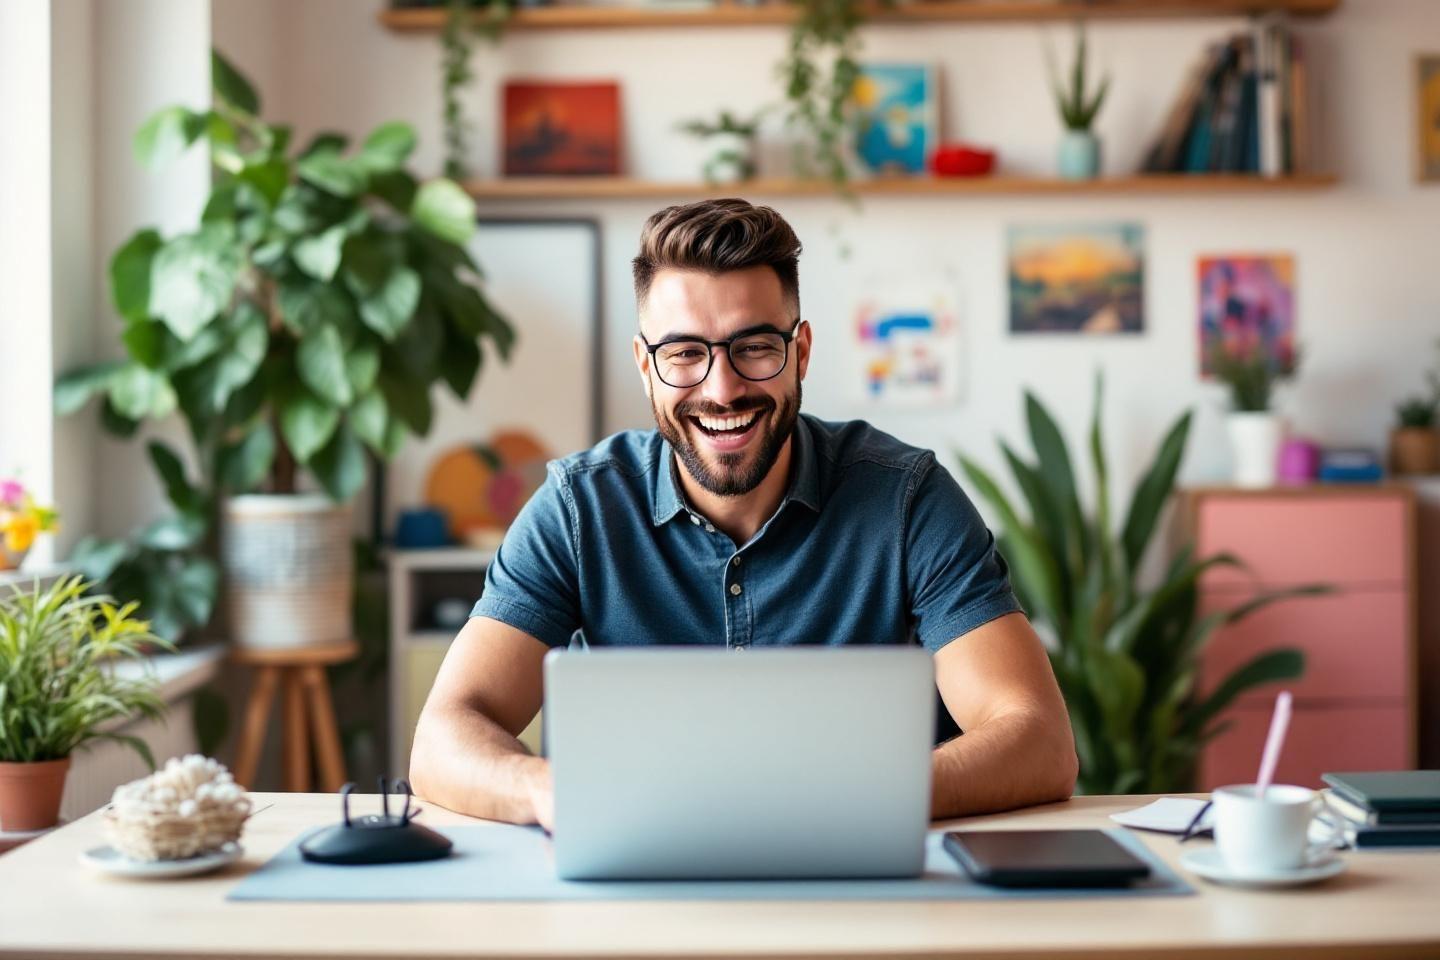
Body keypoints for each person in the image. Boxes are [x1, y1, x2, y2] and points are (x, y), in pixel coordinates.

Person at [410, 199, 1077, 831]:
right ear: (645, 366)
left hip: (864, 900)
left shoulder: (907, 500)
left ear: (802, 352)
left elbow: (1038, 741)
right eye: (684, 354)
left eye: (755, 347)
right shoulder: (577, 509)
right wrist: (549, 792)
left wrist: (861, 804)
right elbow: (444, 737)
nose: (722, 388)